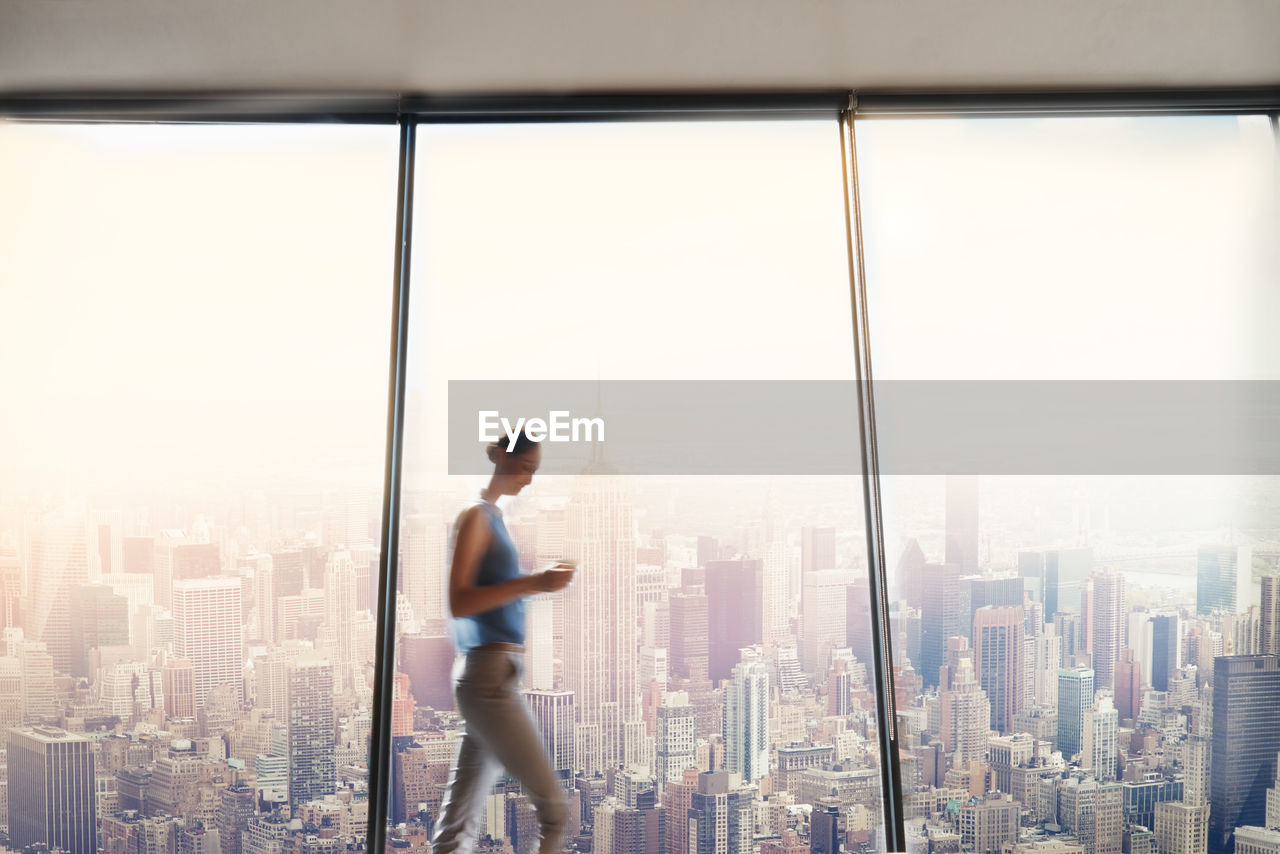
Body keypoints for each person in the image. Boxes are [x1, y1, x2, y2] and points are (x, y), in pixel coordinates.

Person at [430, 430, 573, 854]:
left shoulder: (492, 517)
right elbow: (460, 600)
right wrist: (533, 582)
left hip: (489, 680)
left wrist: (534, 585)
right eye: (526, 467)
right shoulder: (477, 516)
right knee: (554, 810)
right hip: (488, 681)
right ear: (501, 458)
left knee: (457, 828)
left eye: (535, 471)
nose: (529, 479)